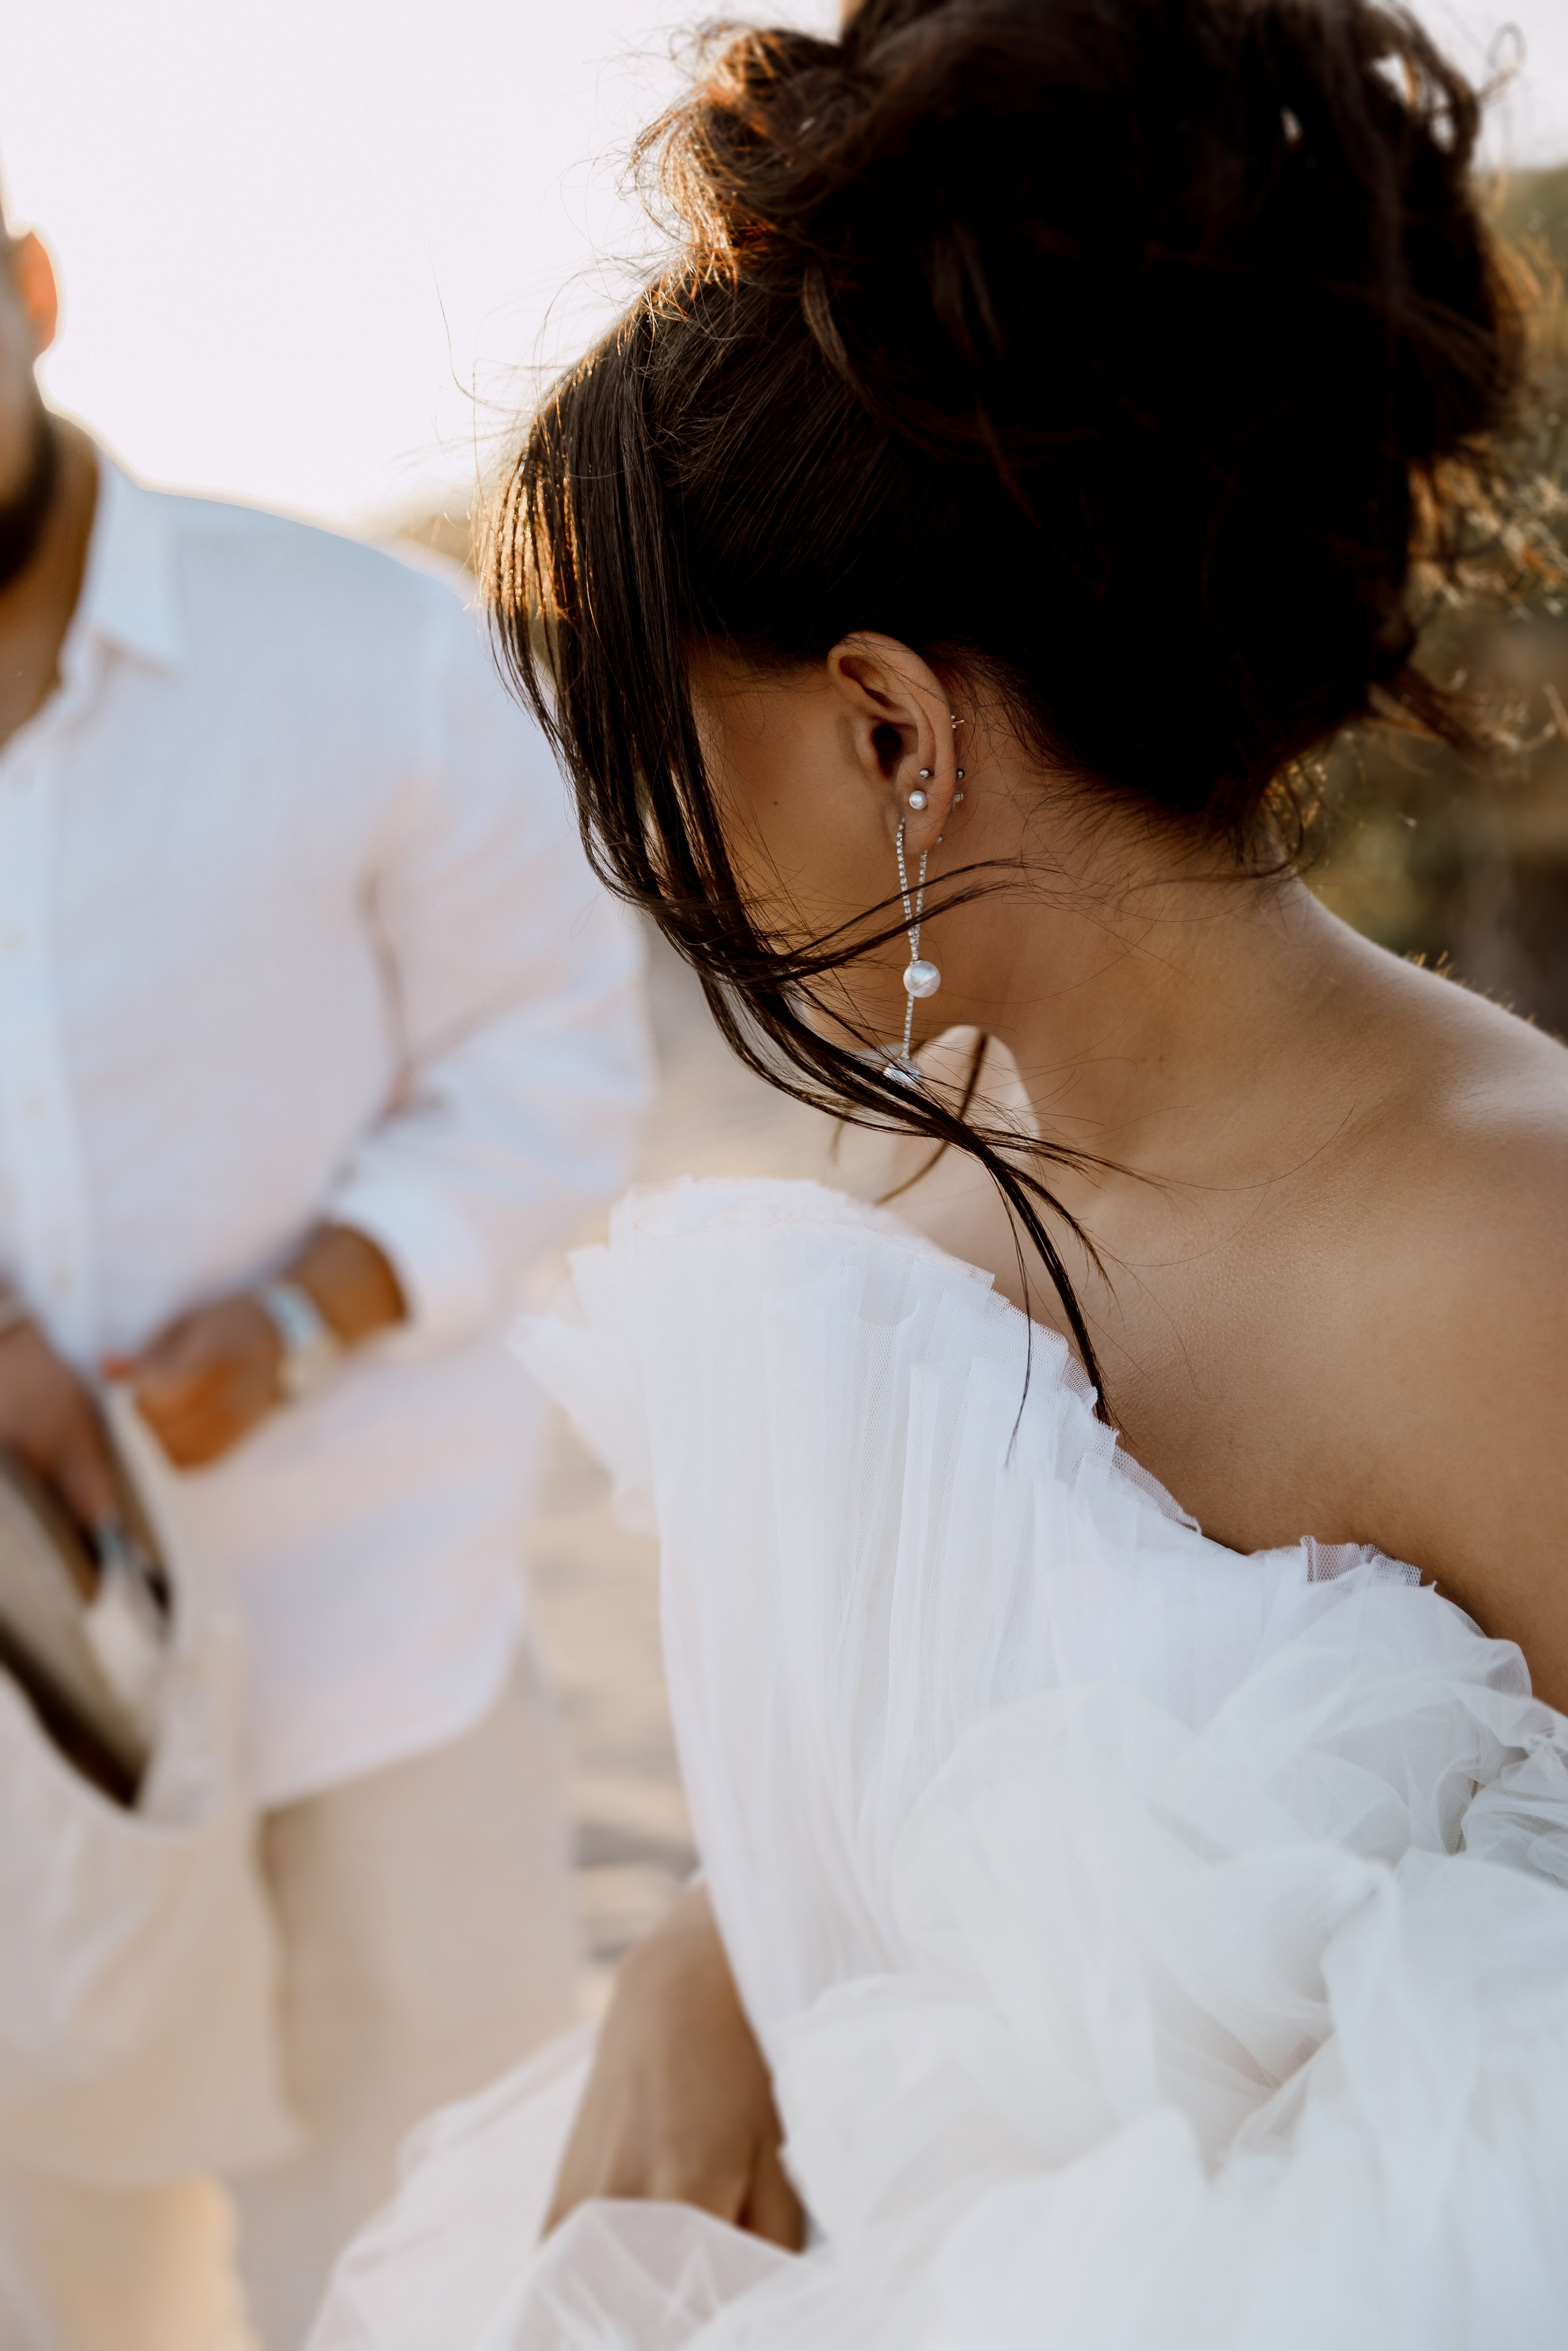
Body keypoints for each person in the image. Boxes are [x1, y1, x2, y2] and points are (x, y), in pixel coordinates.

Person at [310, 1, 1568, 2343]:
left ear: (892, 722)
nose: (645, 850)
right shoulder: (941, 1181)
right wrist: (708, 1946)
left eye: (668, 746)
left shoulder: (1523, 1257)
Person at [0, 182, 650, 2350]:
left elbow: (560, 1057)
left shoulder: (368, 648)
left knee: (427, 2274)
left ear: (28, 293)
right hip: (21, 1715)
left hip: (388, 1653)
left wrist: (303, 1320)